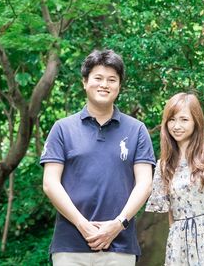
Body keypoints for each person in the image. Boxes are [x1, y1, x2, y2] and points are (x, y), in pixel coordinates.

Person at [40, 49, 155, 266]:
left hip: (120, 247)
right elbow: (50, 183)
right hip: (70, 246)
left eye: (112, 79)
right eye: (98, 78)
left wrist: (118, 224)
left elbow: (145, 184)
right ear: (85, 82)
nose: (104, 85)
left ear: (119, 86)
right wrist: (82, 224)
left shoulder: (137, 130)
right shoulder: (62, 129)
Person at [146, 92, 204, 265]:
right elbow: (171, 215)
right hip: (180, 243)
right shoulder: (163, 166)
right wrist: (176, 249)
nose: (176, 126)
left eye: (184, 119)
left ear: (196, 121)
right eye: (172, 120)